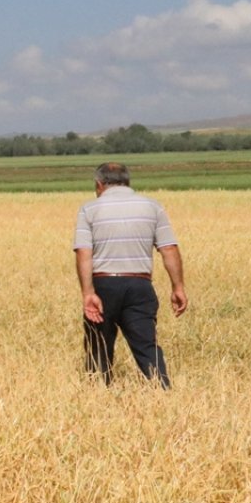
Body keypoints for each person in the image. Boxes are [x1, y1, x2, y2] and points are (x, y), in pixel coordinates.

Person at [73, 161, 187, 388]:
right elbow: (169, 249)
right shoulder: (153, 207)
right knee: (146, 346)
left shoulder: (89, 209)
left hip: (103, 284)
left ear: (99, 184)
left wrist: (88, 293)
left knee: (99, 346)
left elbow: (84, 253)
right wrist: (178, 287)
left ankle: (98, 396)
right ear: (127, 182)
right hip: (140, 285)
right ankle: (162, 393)